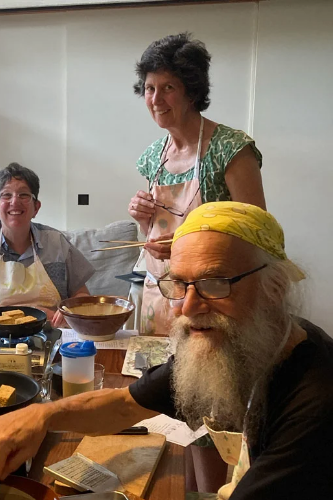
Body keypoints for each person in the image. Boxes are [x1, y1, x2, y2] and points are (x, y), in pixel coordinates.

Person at [0, 202, 333, 500]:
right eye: (179, 283)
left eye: (215, 283)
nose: (187, 307)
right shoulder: (251, 344)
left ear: (275, 288)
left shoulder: (315, 406)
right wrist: (42, 417)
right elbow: (122, 406)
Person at [127, 33, 266, 336]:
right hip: (161, 291)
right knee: (154, 378)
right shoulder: (153, 157)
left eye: (168, 88)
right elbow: (153, 233)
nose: (156, 99)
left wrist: (187, 241)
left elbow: (257, 232)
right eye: (150, 88)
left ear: (191, 92)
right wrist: (143, 219)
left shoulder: (229, 148)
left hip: (213, 297)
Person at [0, 163, 95, 327]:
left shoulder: (56, 242)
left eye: (24, 195)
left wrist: (70, 311)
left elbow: (82, 295)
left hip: (53, 333)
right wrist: (33, 313)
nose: (15, 201)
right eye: (6, 195)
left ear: (36, 207)